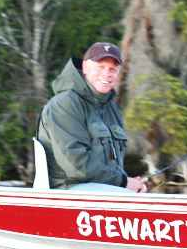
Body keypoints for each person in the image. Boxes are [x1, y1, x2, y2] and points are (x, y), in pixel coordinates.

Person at [37, 41, 148, 192]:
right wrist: (123, 182)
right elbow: (77, 166)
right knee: (127, 197)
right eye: (101, 67)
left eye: (113, 69)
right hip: (67, 191)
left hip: (103, 188)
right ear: (85, 68)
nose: (107, 73)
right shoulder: (65, 104)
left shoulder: (112, 108)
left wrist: (131, 183)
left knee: (138, 196)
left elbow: (113, 167)